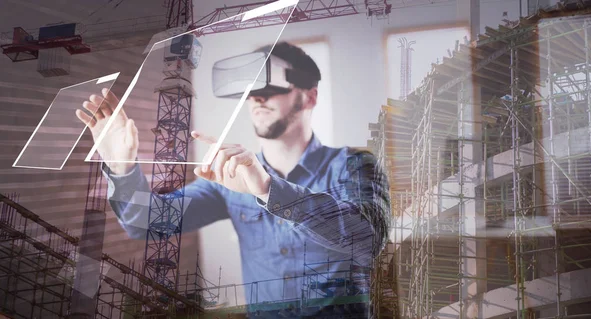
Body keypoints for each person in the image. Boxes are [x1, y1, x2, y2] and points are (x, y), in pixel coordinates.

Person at [76, 42, 390, 315]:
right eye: (253, 88)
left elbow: (368, 239)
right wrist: (121, 166)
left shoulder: (353, 165)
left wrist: (268, 190)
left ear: (309, 97)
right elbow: (145, 221)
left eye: (274, 85)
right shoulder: (231, 176)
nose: (258, 97)